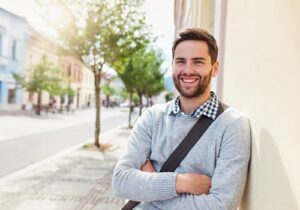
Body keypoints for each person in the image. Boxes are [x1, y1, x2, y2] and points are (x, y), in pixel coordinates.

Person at [112, 28, 251, 210]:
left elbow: (221, 206)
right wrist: (182, 182)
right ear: (172, 66)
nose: (188, 70)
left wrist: (149, 189)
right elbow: (121, 181)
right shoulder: (152, 117)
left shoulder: (232, 125)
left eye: (198, 62)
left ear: (214, 68)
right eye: (180, 62)